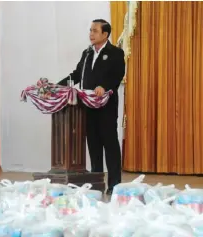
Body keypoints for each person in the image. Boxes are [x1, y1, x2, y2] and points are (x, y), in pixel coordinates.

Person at [57, 19, 125, 195]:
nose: (91, 34)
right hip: (87, 107)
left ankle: (114, 184)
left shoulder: (115, 53)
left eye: (95, 31)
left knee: (109, 145)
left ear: (105, 34)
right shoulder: (87, 53)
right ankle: (96, 183)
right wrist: (58, 86)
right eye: (90, 30)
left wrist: (105, 86)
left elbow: (117, 76)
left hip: (106, 107)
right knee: (93, 145)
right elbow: (77, 75)